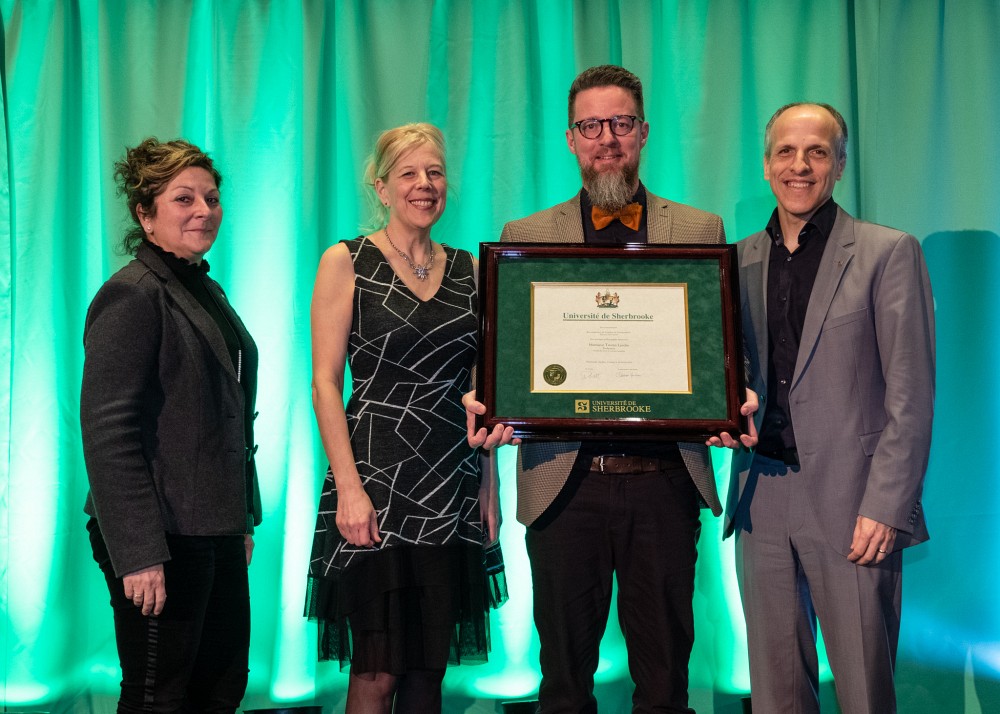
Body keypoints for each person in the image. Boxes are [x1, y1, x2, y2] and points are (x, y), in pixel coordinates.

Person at [466, 65, 754, 714]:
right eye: (591, 126)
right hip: (563, 485)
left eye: (620, 123)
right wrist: (491, 401)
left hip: (665, 485)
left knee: (666, 681)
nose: (607, 139)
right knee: (564, 684)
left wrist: (733, 397)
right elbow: (505, 357)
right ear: (571, 138)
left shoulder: (699, 230)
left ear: (643, 132)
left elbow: (719, 347)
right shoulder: (525, 236)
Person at [725, 103, 935, 713]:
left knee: (864, 692)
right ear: (766, 165)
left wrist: (887, 507)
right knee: (776, 697)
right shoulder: (735, 261)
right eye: (786, 152)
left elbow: (911, 397)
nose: (800, 165)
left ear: (840, 165)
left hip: (855, 505)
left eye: (817, 152)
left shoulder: (888, 252)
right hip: (760, 499)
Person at [305, 123, 507, 714]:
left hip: (451, 486)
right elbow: (325, 384)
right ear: (382, 187)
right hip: (374, 484)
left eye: (435, 172)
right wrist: (349, 490)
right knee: (378, 672)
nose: (425, 184)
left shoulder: (473, 270)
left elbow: (483, 392)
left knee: (427, 674)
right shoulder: (347, 261)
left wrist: (489, 488)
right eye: (409, 173)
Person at [81, 138, 261, 712]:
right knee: (159, 696)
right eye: (184, 199)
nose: (204, 210)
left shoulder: (205, 288)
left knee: (221, 688)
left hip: (215, 526)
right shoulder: (132, 295)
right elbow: (108, 435)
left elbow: (229, 411)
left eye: (211, 197)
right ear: (145, 214)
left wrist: (241, 517)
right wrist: (137, 553)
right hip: (159, 532)